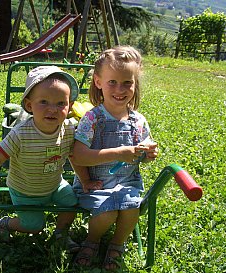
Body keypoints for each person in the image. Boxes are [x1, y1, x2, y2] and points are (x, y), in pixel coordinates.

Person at [0, 66, 90, 252]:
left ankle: (60, 235)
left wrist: (85, 180)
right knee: (34, 226)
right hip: (25, 190)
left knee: (71, 204)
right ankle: (5, 224)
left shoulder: (69, 130)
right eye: (43, 102)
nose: (52, 109)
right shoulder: (21, 134)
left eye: (60, 103)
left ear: (70, 107)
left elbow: (74, 157)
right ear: (29, 105)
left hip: (55, 184)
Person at [70, 46, 159, 270]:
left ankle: (117, 244)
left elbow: (142, 153)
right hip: (94, 184)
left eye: (127, 83)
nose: (120, 89)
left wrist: (148, 154)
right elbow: (78, 155)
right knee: (107, 213)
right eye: (112, 82)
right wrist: (119, 152)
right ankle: (92, 240)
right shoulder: (92, 118)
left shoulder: (138, 120)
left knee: (131, 208)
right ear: (98, 82)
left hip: (127, 183)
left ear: (135, 84)